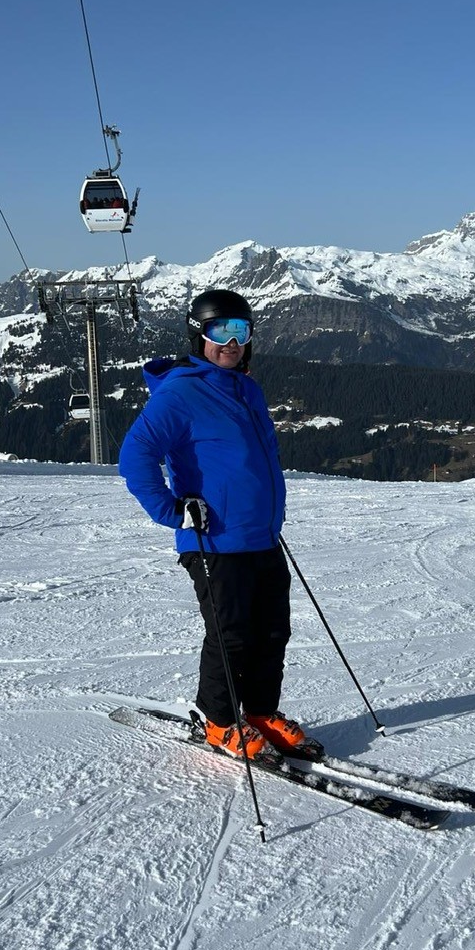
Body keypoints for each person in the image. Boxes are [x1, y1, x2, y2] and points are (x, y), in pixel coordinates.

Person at [118, 289, 312, 761]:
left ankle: (262, 712)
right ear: (198, 334)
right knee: (231, 636)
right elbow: (135, 455)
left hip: (260, 535)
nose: (231, 341)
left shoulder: (247, 388)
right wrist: (172, 510)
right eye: (220, 330)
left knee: (273, 631)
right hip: (213, 541)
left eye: (240, 331)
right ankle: (220, 722)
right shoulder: (182, 391)